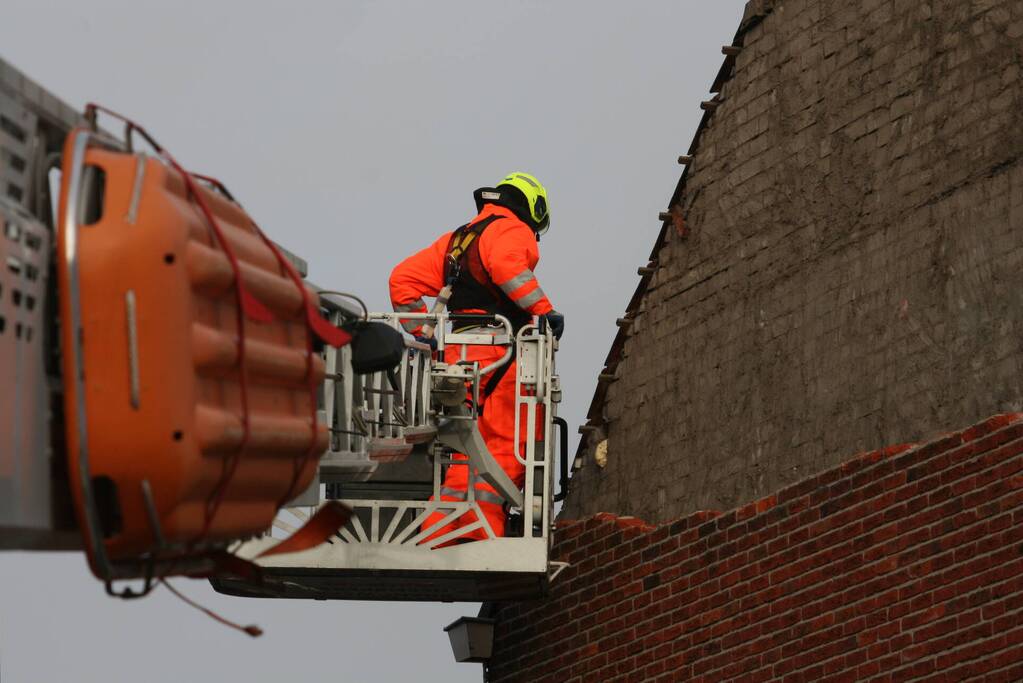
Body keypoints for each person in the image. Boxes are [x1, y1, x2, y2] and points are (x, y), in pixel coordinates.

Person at [388, 172, 565, 543]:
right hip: (499, 353)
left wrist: (424, 334)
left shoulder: (458, 239)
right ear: (533, 207)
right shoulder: (512, 229)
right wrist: (544, 312)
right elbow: (506, 266)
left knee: (466, 449)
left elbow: (402, 280)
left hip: (457, 356)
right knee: (509, 444)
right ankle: (481, 536)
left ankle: (439, 534)